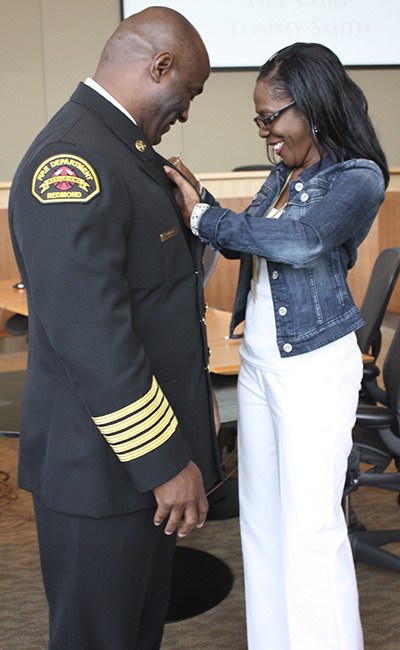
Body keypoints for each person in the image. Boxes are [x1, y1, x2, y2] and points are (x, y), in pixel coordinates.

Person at [8, 7, 223, 649]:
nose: (185, 112)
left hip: (130, 472)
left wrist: (196, 412)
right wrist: (165, 460)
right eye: (188, 93)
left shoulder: (124, 153)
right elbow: (95, 339)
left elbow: (160, 307)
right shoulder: (72, 162)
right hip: (102, 472)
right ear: (158, 67)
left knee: (135, 633)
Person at [164, 42, 389, 650]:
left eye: (271, 117)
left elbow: (300, 241)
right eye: (258, 119)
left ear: (312, 106)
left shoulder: (357, 177)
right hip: (262, 366)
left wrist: (204, 221)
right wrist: (200, 201)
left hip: (313, 367)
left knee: (311, 530)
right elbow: (251, 241)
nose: (265, 132)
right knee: (261, 524)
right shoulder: (285, 171)